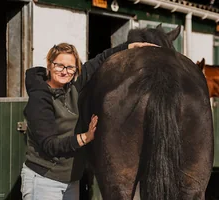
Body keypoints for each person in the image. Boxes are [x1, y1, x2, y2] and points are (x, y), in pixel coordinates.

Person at [20, 41, 157, 200]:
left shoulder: (72, 89)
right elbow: (49, 145)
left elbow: (99, 60)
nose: (65, 71)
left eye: (70, 67)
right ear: (50, 65)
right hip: (44, 181)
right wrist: (85, 137)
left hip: (71, 181)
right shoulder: (40, 99)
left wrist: (129, 46)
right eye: (59, 66)